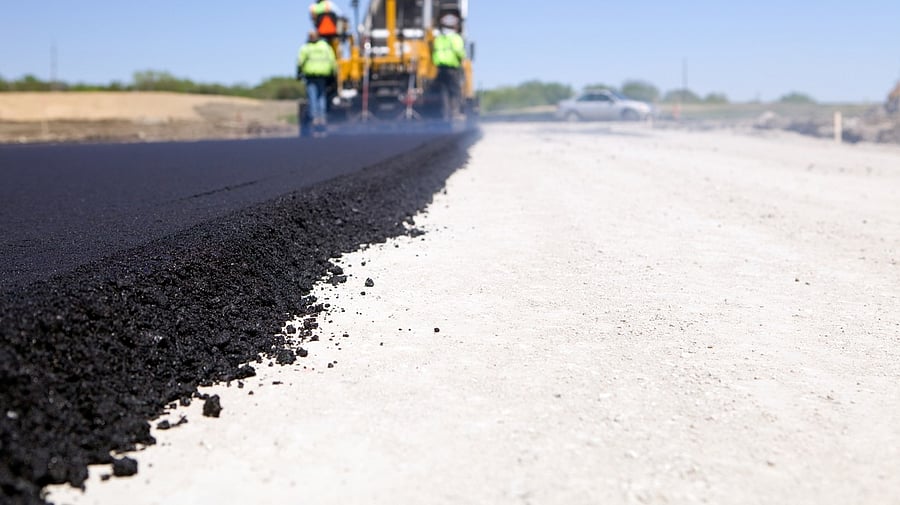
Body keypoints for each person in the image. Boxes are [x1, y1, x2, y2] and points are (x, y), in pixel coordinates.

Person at [297, 31, 337, 136]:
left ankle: (314, 118)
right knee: (321, 96)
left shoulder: (306, 48)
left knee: (312, 97)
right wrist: (333, 74)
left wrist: (298, 73)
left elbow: (300, 61)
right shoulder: (325, 47)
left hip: (310, 75)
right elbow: (332, 60)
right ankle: (322, 118)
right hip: (323, 75)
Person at [431, 16, 467, 120]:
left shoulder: (438, 39)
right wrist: (463, 58)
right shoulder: (455, 38)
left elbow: (434, 52)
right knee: (455, 91)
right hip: (452, 68)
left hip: (440, 68)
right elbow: (459, 52)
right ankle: (456, 113)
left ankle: (445, 114)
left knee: (444, 92)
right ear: (455, 26)